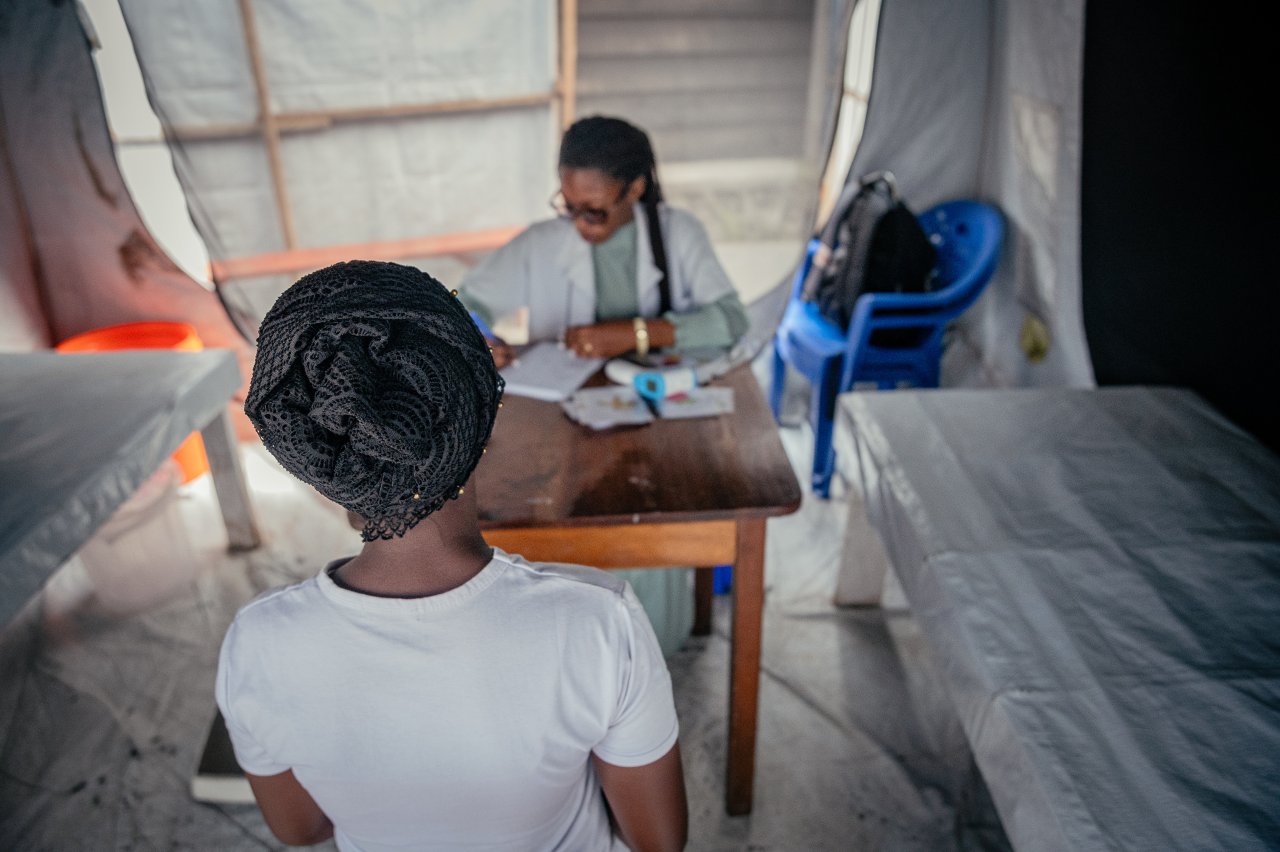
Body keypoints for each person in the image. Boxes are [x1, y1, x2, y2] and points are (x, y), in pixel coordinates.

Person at [221, 260, 688, 851]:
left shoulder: (257, 643)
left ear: (318, 465)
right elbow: (658, 841)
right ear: (484, 422)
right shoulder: (599, 620)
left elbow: (300, 829)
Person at [460, 114, 749, 367]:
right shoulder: (538, 243)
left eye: (594, 211)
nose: (579, 223)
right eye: (569, 206)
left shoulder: (679, 232)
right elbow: (462, 305)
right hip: (561, 398)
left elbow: (733, 320)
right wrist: (480, 339)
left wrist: (635, 334)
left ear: (634, 189)